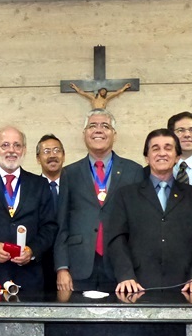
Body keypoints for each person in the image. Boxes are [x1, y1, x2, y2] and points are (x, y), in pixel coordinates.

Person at [107, 129, 192, 294]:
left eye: (168, 148)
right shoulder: (126, 195)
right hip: (137, 287)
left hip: (185, 287)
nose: (162, 153)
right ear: (147, 157)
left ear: (177, 157)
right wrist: (125, 275)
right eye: (155, 148)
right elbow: (117, 239)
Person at [55, 109, 143, 292]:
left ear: (114, 134)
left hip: (121, 267)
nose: (98, 130)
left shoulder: (134, 171)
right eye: (92, 126)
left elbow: (140, 225)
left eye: (105, 126)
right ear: (84, 134)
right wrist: (62, 267)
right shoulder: (69, 173)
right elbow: (62, 224)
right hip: (79, 264)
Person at [0, 126, 57, 292]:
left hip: (30, 277)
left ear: (24, 150)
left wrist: (32, 250)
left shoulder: (39, 185)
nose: (11, 150)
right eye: (5, 145)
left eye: (17, 145)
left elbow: (49, 227)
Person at [36, 134, 65, 291]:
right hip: (38, 264)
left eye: (57, 150)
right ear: (38, 158)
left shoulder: (75, 187)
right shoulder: (30, 188)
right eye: (46, 151)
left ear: (64, 156)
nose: (52, 155)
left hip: (70, 264)